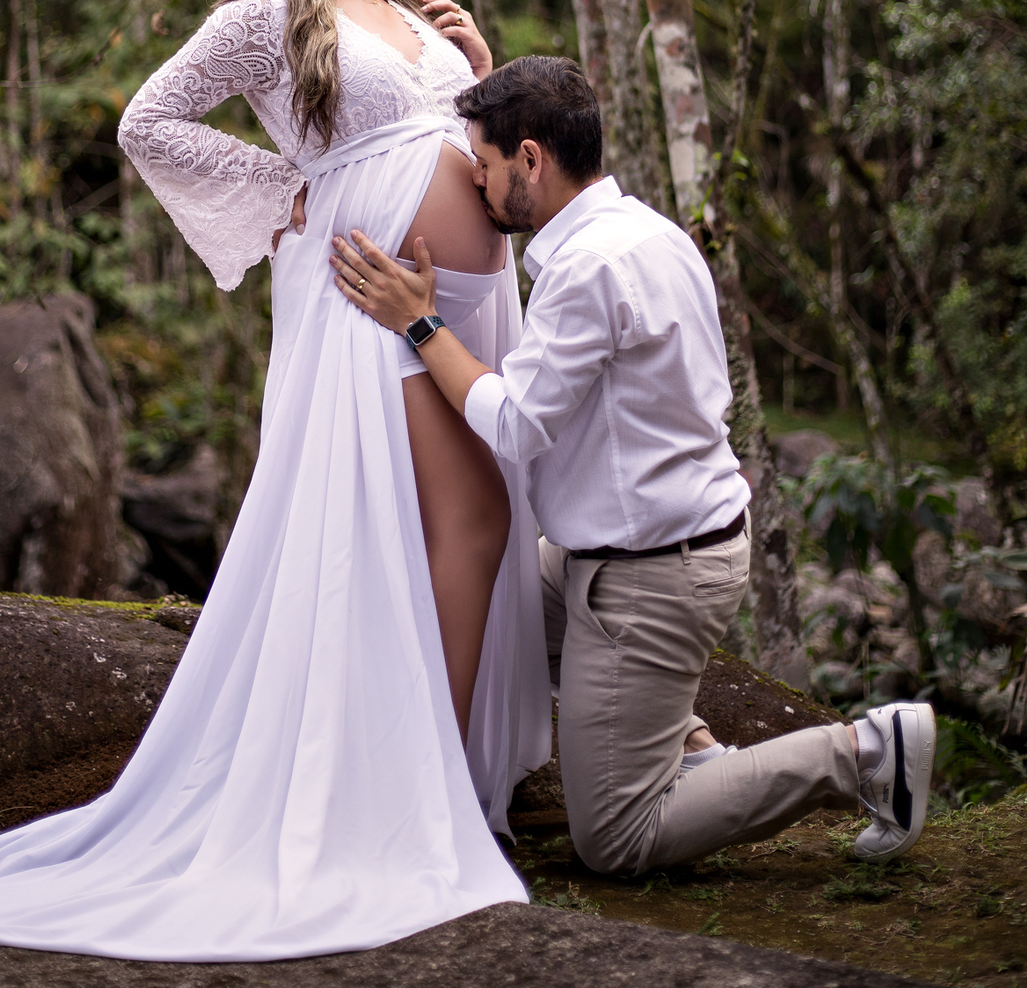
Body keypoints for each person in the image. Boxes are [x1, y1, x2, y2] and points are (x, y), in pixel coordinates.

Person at [0, 0, 550, 962]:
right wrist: (284, 198)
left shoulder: (422, 16)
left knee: (464, 527)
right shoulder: (268, 15)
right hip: (371, 299)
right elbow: (146, 119)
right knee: (458, 525)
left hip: (464, 298)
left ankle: (445, 783)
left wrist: (482, 66)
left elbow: (477, 150)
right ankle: (423, 795)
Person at [331, 53, 937, 879]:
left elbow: (513, 423)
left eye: (485, 162)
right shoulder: (646, 231)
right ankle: (688, 746)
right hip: (630, 546)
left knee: (615, 840)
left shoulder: (589, 268)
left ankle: (867, 752)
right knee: (500, 608)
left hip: (653, 570)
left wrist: (421, 324)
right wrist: (478, 66)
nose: (475, 180)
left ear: (532, 160)